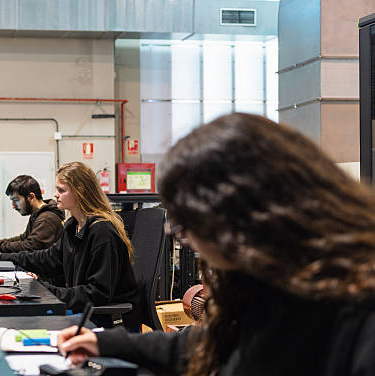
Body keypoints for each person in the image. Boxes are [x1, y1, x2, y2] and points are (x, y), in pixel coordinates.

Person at [57, 113, 375, 376]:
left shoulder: (355, 314)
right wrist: (107, 343)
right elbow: (207, 343)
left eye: (186, 224)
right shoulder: (270, 282)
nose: (180, 236)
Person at [0, 162, 140, 329]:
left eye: (61, 190)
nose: (55, 194)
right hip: (85, 309)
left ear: (80, 192)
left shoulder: (102, 232)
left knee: (28, 324)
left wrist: (45, 288)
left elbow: (97, 293)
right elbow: (49, 258)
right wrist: (4, 257)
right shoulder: (73, 226)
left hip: (107, 320)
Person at [0, 175, 64, 252]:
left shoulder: (46, 218)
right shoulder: (38, 214)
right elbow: (24, 238)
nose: (13, 206)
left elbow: (30, 246)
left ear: (31, 197)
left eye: (16, 200)